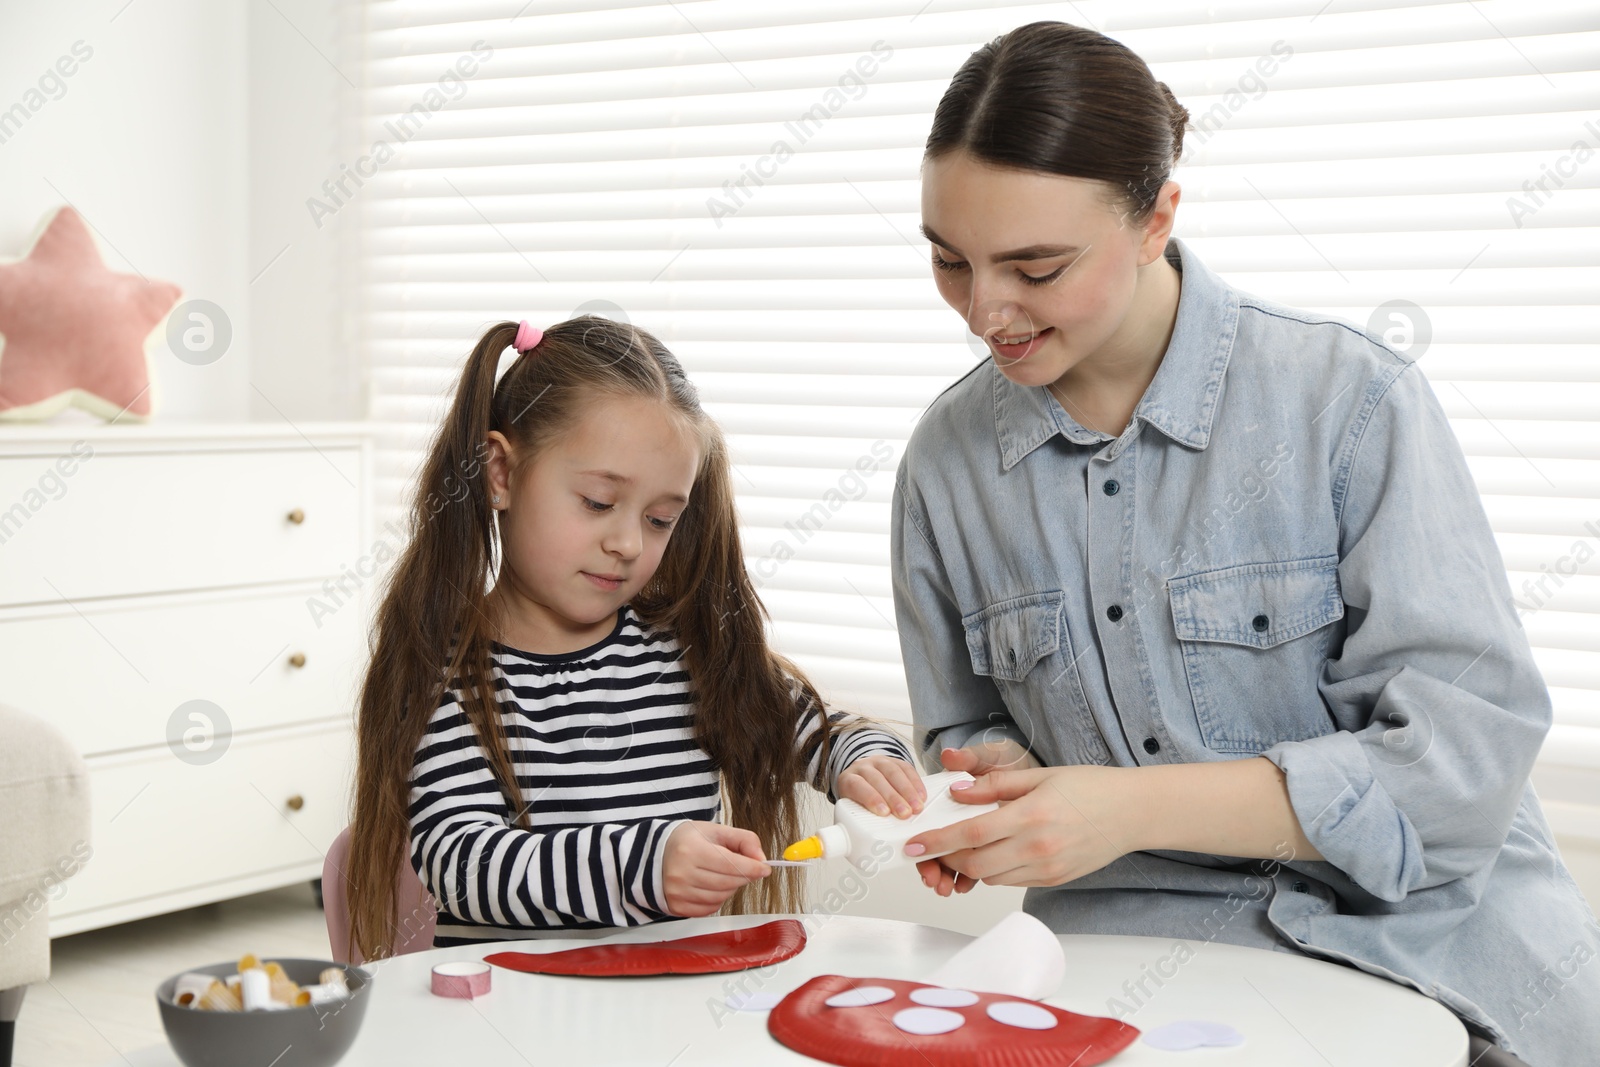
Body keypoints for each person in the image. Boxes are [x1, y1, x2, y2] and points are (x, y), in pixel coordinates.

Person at [889, 20, 1599, 1066]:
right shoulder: (944, 467)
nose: (984, 311)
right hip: (1135, 979)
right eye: (950, 261)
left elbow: (1460, 769)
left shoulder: (1348, 401)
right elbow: (966, 726)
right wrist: (991, 794)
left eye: (1035, 266)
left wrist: (1124, 808)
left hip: (1437, 960)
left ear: (1155, 217)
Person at [346, 316, 922, 954]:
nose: (626, 543)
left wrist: (867, 763)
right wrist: (642, 866)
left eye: (658, 519)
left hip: (667, 1017)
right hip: (511, 1019)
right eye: (597, 502)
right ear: (501, 473)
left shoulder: (689, 659)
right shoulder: (445, 676)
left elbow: (819, 729)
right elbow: (461, 864)